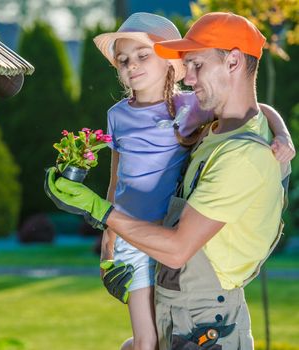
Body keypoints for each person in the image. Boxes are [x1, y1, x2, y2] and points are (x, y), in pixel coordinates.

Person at [45, 12, 293, 349]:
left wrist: (98, 211)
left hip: (203, 323)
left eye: (197, 66)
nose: (187, 78)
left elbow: (177, 249)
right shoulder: (220, 127)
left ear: (233, 61)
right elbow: (259, 107)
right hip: (179, 306)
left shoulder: (242, 156)